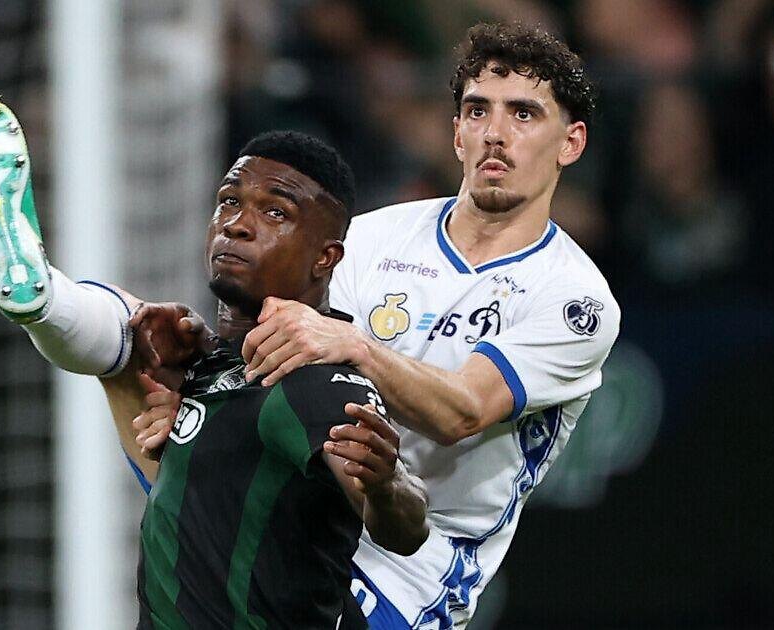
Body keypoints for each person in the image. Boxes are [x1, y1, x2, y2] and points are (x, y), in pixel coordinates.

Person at [139, 22, 620, 627]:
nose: (495, 133)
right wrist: (200, 376)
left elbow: (464, 412)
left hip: (418, 563)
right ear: (457, 133)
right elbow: (278, 339)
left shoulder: (575, 299)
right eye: (478, 111)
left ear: (570, 143)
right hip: (313, 502)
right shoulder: (373, 237)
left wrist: (355, 345)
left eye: (523, 114)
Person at [0, 104, 429, 628]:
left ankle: (48, 301)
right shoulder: (213, 365)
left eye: (275, 213)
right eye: (229, 201)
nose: (237, 225)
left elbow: (406, 528)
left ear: (326, 258)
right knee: (130, 337)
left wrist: (387, 484)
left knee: (123, 334)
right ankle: (44, 299)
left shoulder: (312, 377)